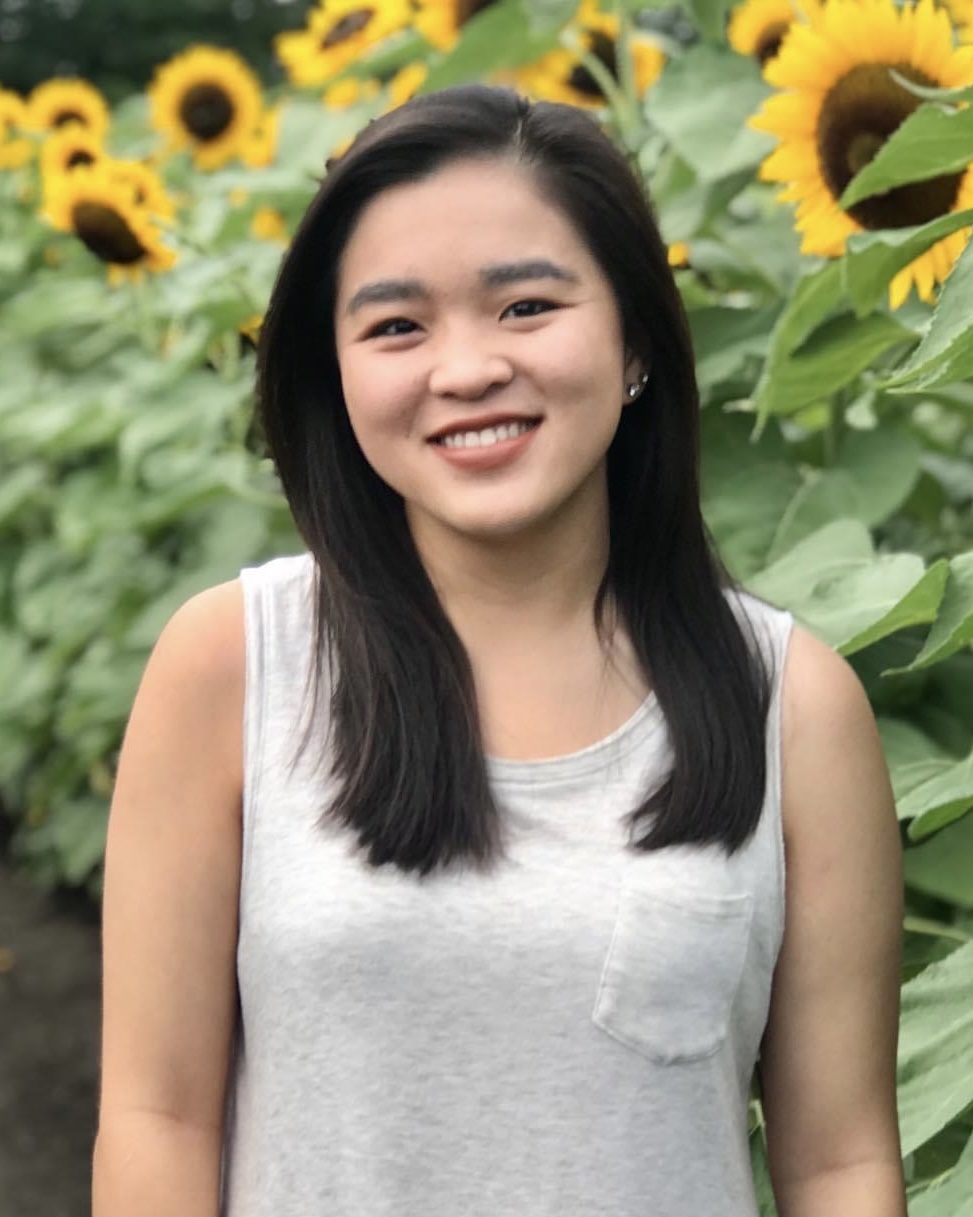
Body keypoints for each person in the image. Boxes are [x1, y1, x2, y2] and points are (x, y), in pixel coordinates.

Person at [91, 83, 906, 1217]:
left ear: (633, 340)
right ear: (334, 378)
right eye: (394, 325)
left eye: (525, 306)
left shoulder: (793, 705)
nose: (465, 368)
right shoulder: (233, 667)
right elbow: (156, 1117)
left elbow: (839, 1160)